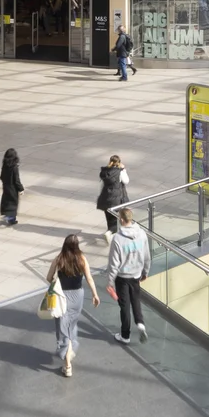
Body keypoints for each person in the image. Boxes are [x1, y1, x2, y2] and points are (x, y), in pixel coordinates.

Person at [44, 233, 99, 378]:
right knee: (72, 325)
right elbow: (89, 279)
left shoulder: (59, 259)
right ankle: (70, 350)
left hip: (62, 297)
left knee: (63, 327)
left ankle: (67, 364)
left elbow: (49, 277)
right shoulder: (82, 259)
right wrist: (95, 294)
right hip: (77, 296)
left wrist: (55, 285)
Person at [104, 207, 150, 344]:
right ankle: (140, 323)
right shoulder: (142, 234)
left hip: (122, 277)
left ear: (122, 220)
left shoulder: (117, 239)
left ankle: (125, 335)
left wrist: (110, 281)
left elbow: (114, 263)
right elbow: (147, 256)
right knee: (136, 300)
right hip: (136, 274)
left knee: (124, 305)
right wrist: (145, 271)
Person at [97, 154, 129, 235]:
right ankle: (110, 233)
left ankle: (109, 231)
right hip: (116, 198)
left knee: (109, 217)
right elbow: (126, 181)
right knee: (115, 218)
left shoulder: (105, 172)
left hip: (106, 196)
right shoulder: (120, 172)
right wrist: (124, 170)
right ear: (119, 162)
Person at [0, 149, 23, 227]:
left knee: (6, 201)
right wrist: (21, 188)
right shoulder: (14, 167)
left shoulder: (5, 165)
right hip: (13, 188)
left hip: (6, 186)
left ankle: (8, 217)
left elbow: (1, 176)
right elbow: (16, 179)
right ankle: (10, 218)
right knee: (13, 203)